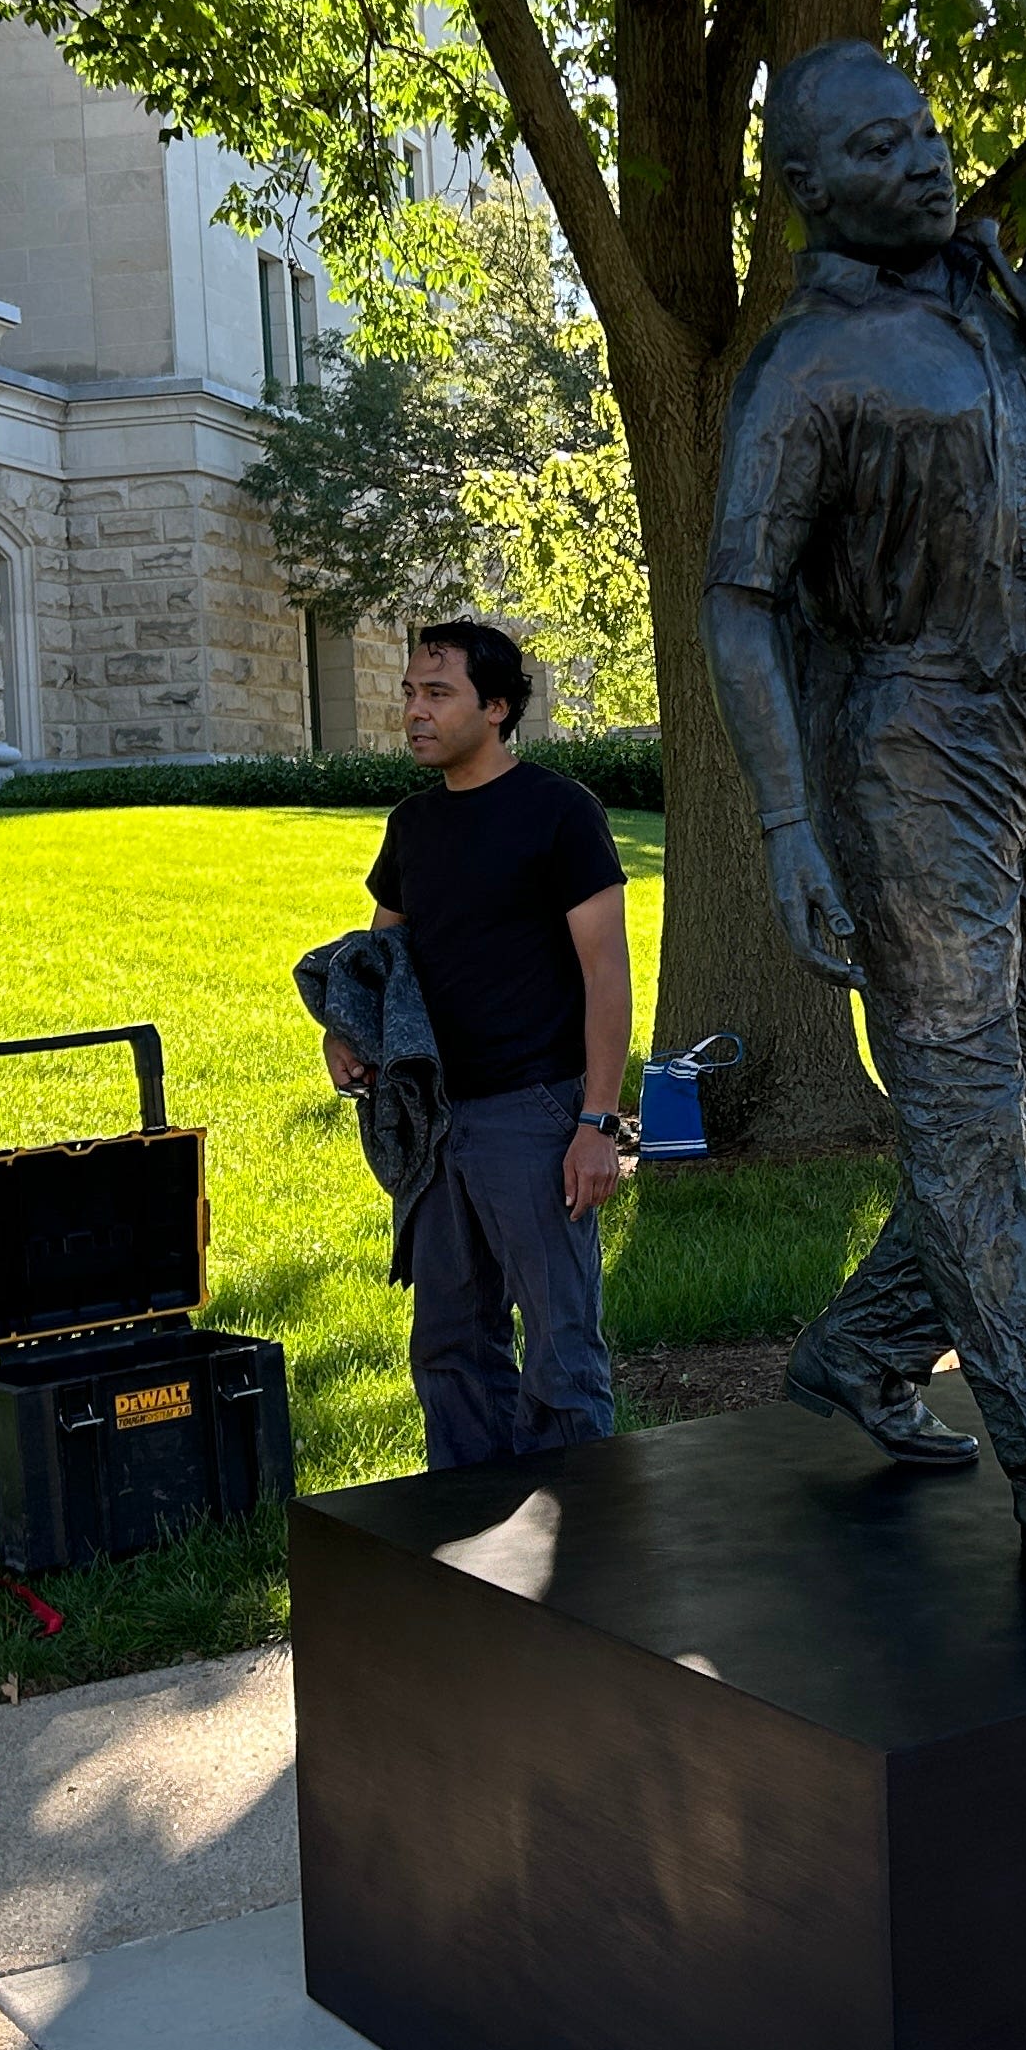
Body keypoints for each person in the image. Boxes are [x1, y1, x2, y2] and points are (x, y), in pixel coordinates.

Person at [703, 40, 1026, 1594]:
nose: (924, 161)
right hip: (904, 750)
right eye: (879, 148)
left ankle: (857, 1346)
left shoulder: (1005, 333)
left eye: (928, 133)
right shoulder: (805, 367)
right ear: (809, 189)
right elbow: (741, 601)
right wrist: (784, 822)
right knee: (965, 1105)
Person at [322, 622, 635, 1467]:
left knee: (561, 1356)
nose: (414, 712)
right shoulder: (413, 824)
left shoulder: (561, 813)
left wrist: (595, 1124)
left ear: (496, 708)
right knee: (451, 1351)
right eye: (409, 695)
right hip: (434, 1122)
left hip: (535, 1114)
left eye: (437, 693)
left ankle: (589, 1551)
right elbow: (378, 959)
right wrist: (344, 1037)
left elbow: (608, 976)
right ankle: (469, 1548)